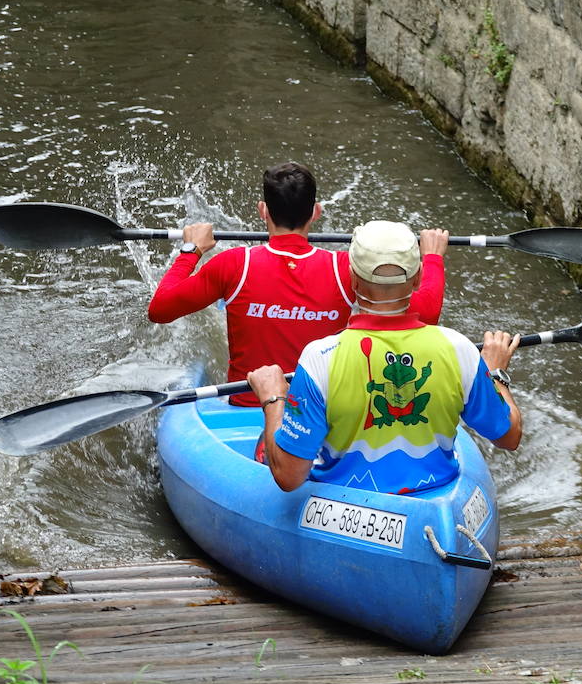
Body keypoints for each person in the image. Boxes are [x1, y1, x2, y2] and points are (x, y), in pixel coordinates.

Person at [246, 220, 521, 494]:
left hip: (343, 506)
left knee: (265, 442)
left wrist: (273, 398)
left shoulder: (319, 358)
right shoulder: (460, 348)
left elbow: (288, 476)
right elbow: (509, 437)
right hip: (431, 499)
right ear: (417, 279)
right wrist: (495, 374)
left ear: (352, 279)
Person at [148, 162, 449, 405]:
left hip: (248, 404)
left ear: (263, 210)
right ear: (315, 212)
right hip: (318, 409)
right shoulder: (345, 267)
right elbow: (425, 315)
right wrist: (433, 258)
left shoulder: (234, 264)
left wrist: (192, 250)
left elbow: (160, 309)